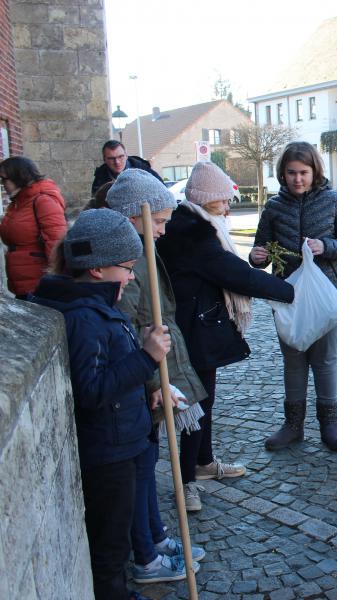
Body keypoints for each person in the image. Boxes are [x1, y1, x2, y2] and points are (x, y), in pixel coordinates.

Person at [30, 208, 171, 600]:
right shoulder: (83, 317)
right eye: (126, 267)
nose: (130, 276)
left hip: (121, 440)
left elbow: (112, 366)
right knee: (111, 549)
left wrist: (148, 386)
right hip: (108, 453)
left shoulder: (95, 304)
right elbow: (91, 390)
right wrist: (146, 357)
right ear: (96, 269)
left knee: (115, 543)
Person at [157, 161, 294, 512]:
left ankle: (203, 463)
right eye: (222, 200)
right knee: (193, 406)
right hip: (190, 330)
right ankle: (186, 480)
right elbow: (236, 275)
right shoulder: (193, 233)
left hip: (201, 324)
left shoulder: (195, 223)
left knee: (205, 400)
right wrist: (289, 291)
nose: (228, 206)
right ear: (206, 200)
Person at [106, 169, 207, 580]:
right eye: (160, 221)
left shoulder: (144, 249)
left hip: (150, 376)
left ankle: (156, 536)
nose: (164, 230)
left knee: (147, 466)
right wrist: (154, 381)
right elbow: (133, 329)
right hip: (139, 383)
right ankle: (146, 550)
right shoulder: (125, 264)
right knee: (141, 471)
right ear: (135, 217)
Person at [250, 142, 337, 452]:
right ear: (282, 174)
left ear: (315, 172)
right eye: (291, 173)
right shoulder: (273, 208)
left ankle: (330, 426)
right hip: (287, 294)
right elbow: (261, 252)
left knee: (325, 361)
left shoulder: (333, 201)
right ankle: (293, 425)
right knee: (293, 361)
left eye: (304, 173)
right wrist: (257, 257)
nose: (298, 179)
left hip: (326, 294)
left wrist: (325, 246)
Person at [0, 156, 67, 297]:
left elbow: (56, 242)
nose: (2, 183)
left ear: (18, 175)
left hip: (39, 283)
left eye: (4, 179)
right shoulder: (18, 202)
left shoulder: (43, 200)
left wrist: (56, 279)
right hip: (22, 281)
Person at [91, 140, 163, 195]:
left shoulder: (142, 169)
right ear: (104, 159)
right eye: (111, 158)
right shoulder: (100, 178)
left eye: (120, 157)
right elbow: (97, 204)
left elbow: (162, 189)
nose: (117, 162)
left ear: (126, 156)